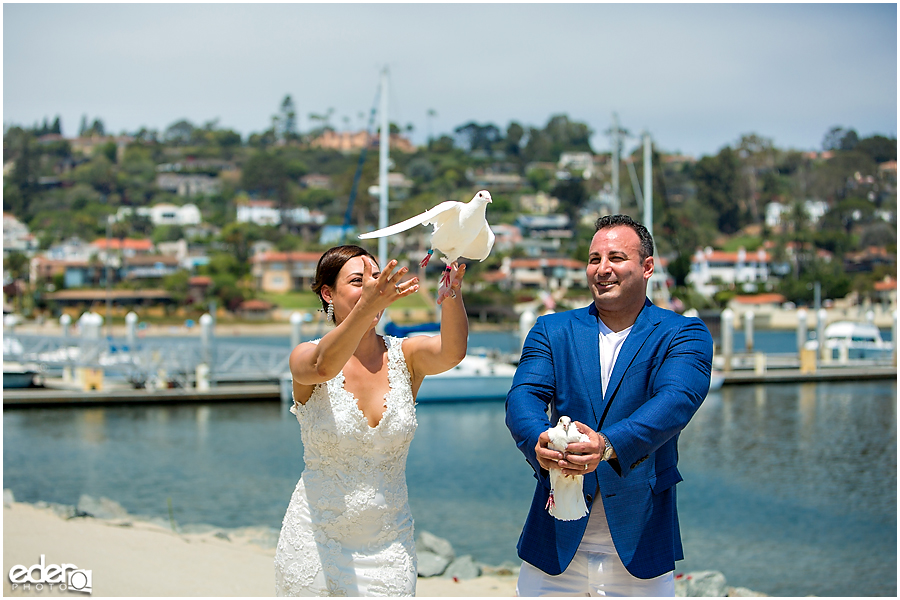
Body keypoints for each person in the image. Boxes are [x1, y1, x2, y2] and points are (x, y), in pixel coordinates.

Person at [506, 215, 713, 596]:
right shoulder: (552, 330)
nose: (602, 270)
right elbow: (523, 396)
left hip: (640, 548)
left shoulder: (683, 334)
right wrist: (539, 439)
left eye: (616, 257)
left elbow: (676, 401)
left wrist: (606, 445)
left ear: (647, 266)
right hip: (553, 548)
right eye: (594, 259)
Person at [274, 244, 468, 597]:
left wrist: (451, 290)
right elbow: (323, 367)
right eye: (357, 280)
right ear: (328, 293)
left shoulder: (405, 355)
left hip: (389, 546)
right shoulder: (305, 355)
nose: (371, 286)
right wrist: (369, 304)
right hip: (316, 541)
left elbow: (452, 352)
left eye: (376, 278)